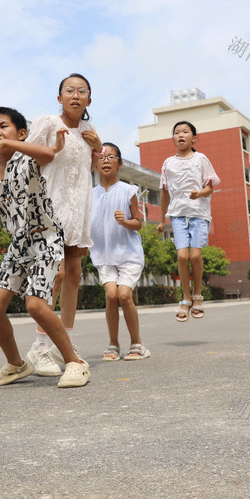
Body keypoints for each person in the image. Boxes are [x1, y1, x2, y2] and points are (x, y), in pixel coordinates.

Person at [0, 107, 90, 387]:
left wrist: (8, 145)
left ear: (21, 134)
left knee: (36, 305)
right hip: (18, 246)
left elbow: (48, 155)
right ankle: (16, 365)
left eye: (3, 126)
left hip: (46, 239)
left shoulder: (27, 160)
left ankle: (75, 363)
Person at [23, 74, 103, 376]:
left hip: (78, 209)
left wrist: (96, 149)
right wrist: (54, 149)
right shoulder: (47, 122)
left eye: (82, 91)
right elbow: (28, 159)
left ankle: (63, 340)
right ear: (59, 98)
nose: (75, 95)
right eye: (69, 90)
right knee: (53, 274)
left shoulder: (89, 131)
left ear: (89, 101)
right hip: (50, 207)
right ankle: (40, 345)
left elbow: (88, 170)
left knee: (73, 274)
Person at [92, 143, 150, 362]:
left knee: (124, 295)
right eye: (101, 157)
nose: (106, 160)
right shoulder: (91, 195)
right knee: (110, 296)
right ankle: (113, 344)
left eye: (111, 156)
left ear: (120, 163)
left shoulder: (128, 191)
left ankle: (137, 344)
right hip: (103, 256)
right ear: (95, 164)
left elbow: (138, 223)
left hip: (129, 255)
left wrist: (125, 222)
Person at [156, 121, 220, 322]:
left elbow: (210, 187)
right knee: (182, 257)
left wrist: (200, 193)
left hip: (199, 214)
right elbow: (164, 193)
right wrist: (161, 220)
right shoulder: (168, 163)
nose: (180, 135)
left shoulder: (201, 159)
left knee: (194, 256)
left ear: (194, 138)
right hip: (177, 215)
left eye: (185, 132)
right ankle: (185, 297)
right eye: (176, 132)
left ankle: (198, 294)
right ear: (173, 138)